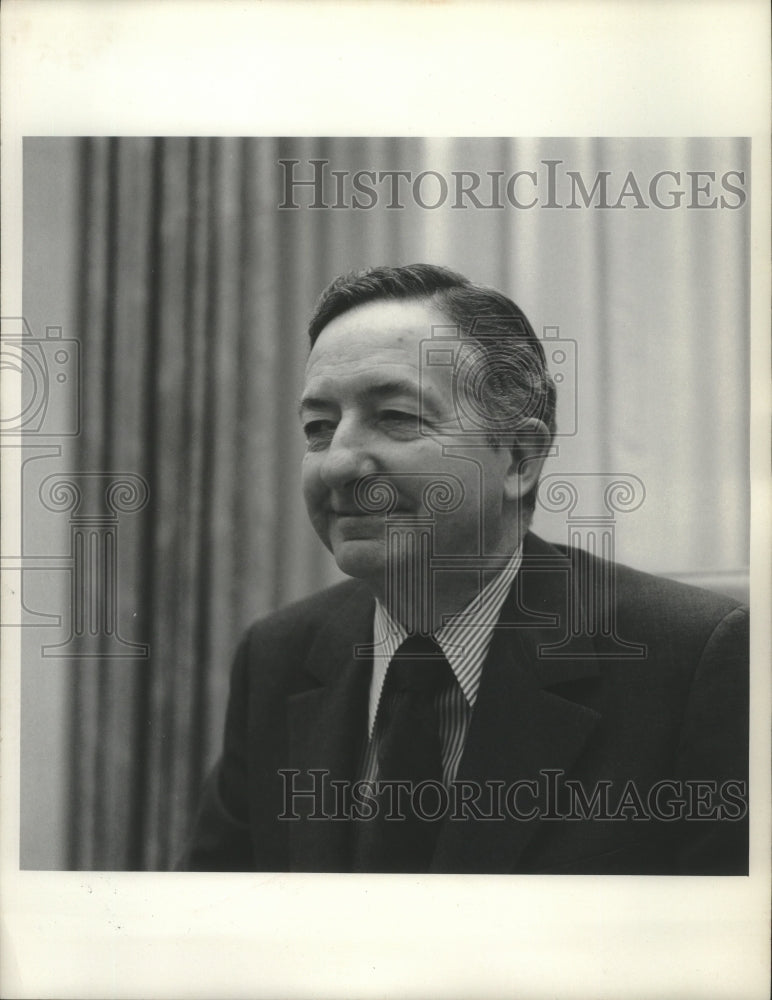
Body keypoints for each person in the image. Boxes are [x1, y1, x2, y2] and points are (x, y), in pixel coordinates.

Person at [181, 263, 748, 874]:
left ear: (519, 461)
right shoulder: (278, 657)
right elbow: (209, 922)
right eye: (319, 428)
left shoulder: (693, 661)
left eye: (396, 417)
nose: (338, 462)